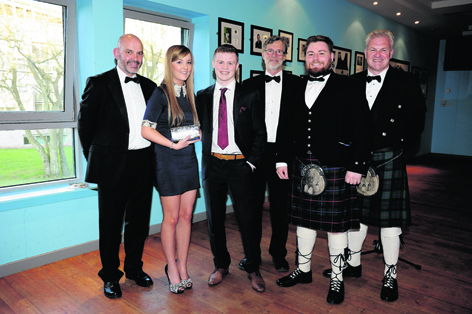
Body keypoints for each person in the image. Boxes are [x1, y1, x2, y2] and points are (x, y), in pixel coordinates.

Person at [323, 29, 426, 303]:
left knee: (389, 223)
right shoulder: (351, 82)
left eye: (383, 50)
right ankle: (351, 265)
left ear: (391, 53)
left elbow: (417, 121)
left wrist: (397, 147)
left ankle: (390, 275)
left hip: (387, 157)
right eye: (373, 50)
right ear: (364, 53)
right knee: (354, 216)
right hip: (354, 159)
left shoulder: (407, 82)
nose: (377, 55)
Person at [274, 35, 373, 305]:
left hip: (336, 165)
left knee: (336, 227)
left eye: (321, 53)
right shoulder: (294, 85)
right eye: (310, 53)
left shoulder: (350, 86)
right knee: (303, 222)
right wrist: (281, 159)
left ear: (332, 57)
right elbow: (285, 124)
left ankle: (337, 278)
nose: (315, 58)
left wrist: (357, 166)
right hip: (301, 164)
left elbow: (363, 129)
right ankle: (303, 271)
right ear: (304, 57)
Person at [78, 34, 156, 299]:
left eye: (140, 53)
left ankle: (134, 269)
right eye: (130, 52)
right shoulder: (99, 83)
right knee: (111, 226)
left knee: (139, 224)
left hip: (143, 162)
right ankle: (110, 276)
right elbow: (85, 127)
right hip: (112, 166)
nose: (135, 58)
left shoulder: (149, 85)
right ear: (118, 52)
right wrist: (97, 160)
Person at [196, 44, 267, 292]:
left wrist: (250, 164)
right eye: (220, 62)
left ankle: (253, 268)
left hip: (241, 166)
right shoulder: (202, 96)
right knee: (214, 220)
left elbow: (260, 133)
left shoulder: (250, 95)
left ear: (237, 67)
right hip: (213, 165)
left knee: (248, 220)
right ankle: (221, 265)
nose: (225, 67)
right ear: (213, 64)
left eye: (230, 63)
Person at [141, 45, 200, 294]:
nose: (184, 67)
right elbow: (145, 129)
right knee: (172, 218)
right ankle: (171, 269)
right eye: (179, 63)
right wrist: (172, 145)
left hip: (188, 161)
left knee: (186, 218)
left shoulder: (188, 93)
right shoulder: (160, 93)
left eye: (188, 62)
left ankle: (183, 266)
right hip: (167, 162)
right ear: (170, 65)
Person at [240, 35, 301, 273]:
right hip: (255, 154)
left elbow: (297, 125)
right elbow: (242, 125)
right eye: (270, 51)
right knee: (251, 209)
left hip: (283, 155)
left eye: (279, 51)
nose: (274, 55)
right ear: (263, 54)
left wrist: (285, 156)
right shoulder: (248, 85)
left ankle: (278, 254)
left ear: (285, 57)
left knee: (280, 209)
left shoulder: (298, 85)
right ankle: (251, 256)